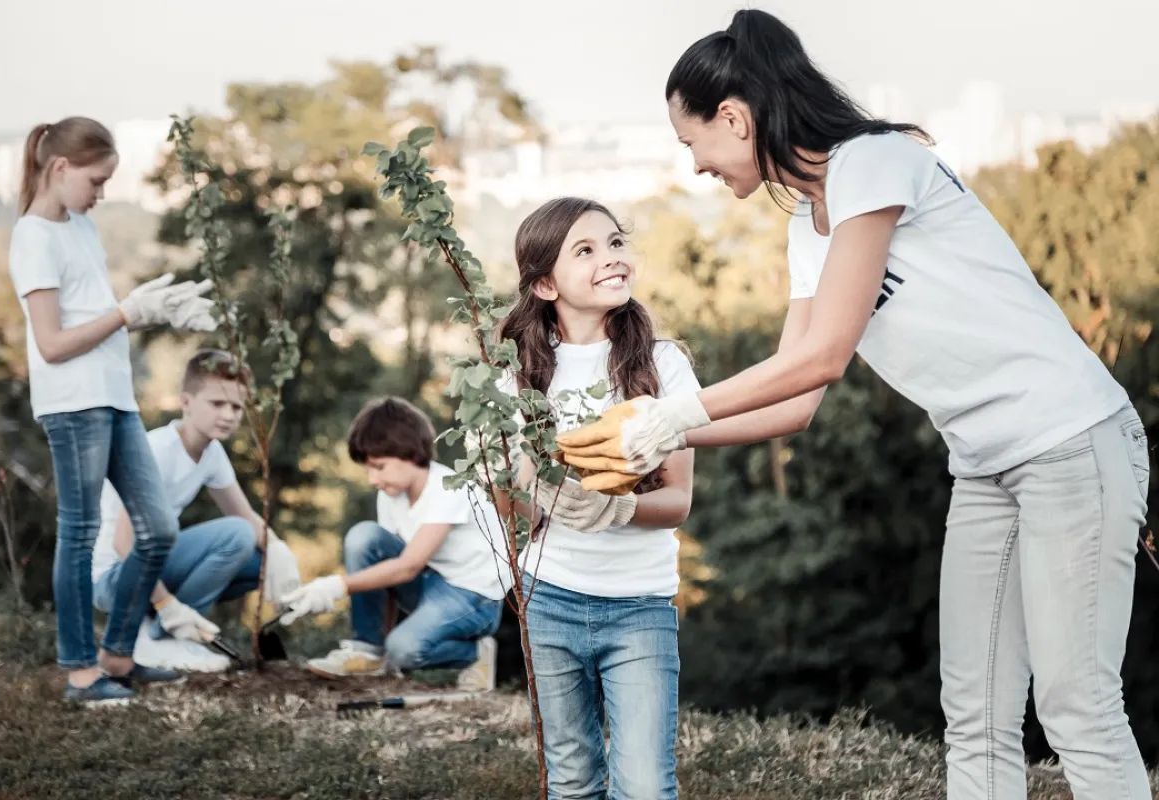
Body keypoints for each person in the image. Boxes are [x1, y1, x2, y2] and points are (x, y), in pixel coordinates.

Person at [555, 11, 1152, 800]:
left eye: (690, 141)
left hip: (1073, 442)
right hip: (984, 465)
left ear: (734, 118)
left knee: (1076, 704)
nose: (694, 164)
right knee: (974, 711)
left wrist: (671, 412)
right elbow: (797, 394)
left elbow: (825, 351)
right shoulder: (808, 221)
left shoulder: (873, 162)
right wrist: (648, 442)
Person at [488, 197, 700, 800]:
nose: (612, 259)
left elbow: (678, 502)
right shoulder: (518, 375)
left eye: (615, 242)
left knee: (644, 789)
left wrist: (620, 506)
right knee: (573, 781)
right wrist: (530, 495)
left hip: (639, 608)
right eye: (586, 250)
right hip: (547, 599)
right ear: (546, 283)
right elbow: (510, 501)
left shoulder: (664, 365)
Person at [8, 117, 220, 705]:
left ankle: (118, 657)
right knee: (79, 534)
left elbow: (95, 315)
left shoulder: (80, 227)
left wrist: (158, 311)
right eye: (96, 181)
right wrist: (129, 313)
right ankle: (81, 672)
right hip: (73, 405)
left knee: (157, 529)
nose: (102, 194)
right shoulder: (33, 237)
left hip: (115, 397)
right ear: (60, 168)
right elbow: (51, 344)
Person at [90, 349, 303, 672]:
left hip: (151, 568)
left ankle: (154, 634)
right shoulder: (157, 451)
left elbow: (245, 514)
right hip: (114, 578)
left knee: (259, 561)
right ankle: (166, 638)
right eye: (217, 403)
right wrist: (167, 605)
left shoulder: (212, 453)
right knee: (237, 536)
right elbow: (124, 543)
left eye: (236, 407)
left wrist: (279, 552)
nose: (229, 415)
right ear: (186, 402)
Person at [279, 396, 510, 692]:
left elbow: (406, 567)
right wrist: (379, 646)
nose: (373, 479)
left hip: (473, 598)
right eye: (367, 469)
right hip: (430, 583)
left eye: (379, 466)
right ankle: (367, 651)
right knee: (365, 536)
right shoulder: (390, 494)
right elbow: (385, 573)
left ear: (411, 454)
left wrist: (336, 586)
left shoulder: (447, 488)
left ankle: (476, 654)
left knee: (405, 649)